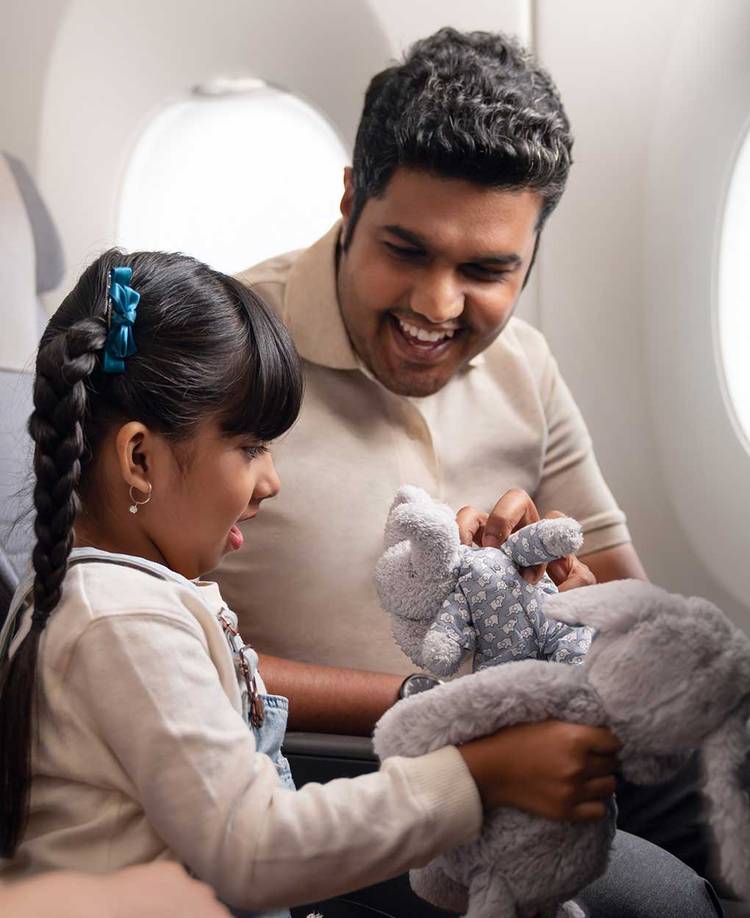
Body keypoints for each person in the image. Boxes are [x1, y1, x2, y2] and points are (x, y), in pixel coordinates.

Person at [3, 249, 708, 918]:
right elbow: (253, 848)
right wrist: (477, 773)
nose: (270, 482)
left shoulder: (130, 599)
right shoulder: (124, 624)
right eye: (249, 448)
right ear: (138, 458)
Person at [217, 27, 646, 736]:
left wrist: (565, 599)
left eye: (485, 271)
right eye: (406, 251)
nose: (436, 306)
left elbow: (630, 613)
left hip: (521, 751)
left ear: (531, 253)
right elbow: (154, 643)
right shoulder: (225, 347)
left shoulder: (526, 365)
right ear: (352, 200)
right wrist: (437, 704)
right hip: (330, 775)